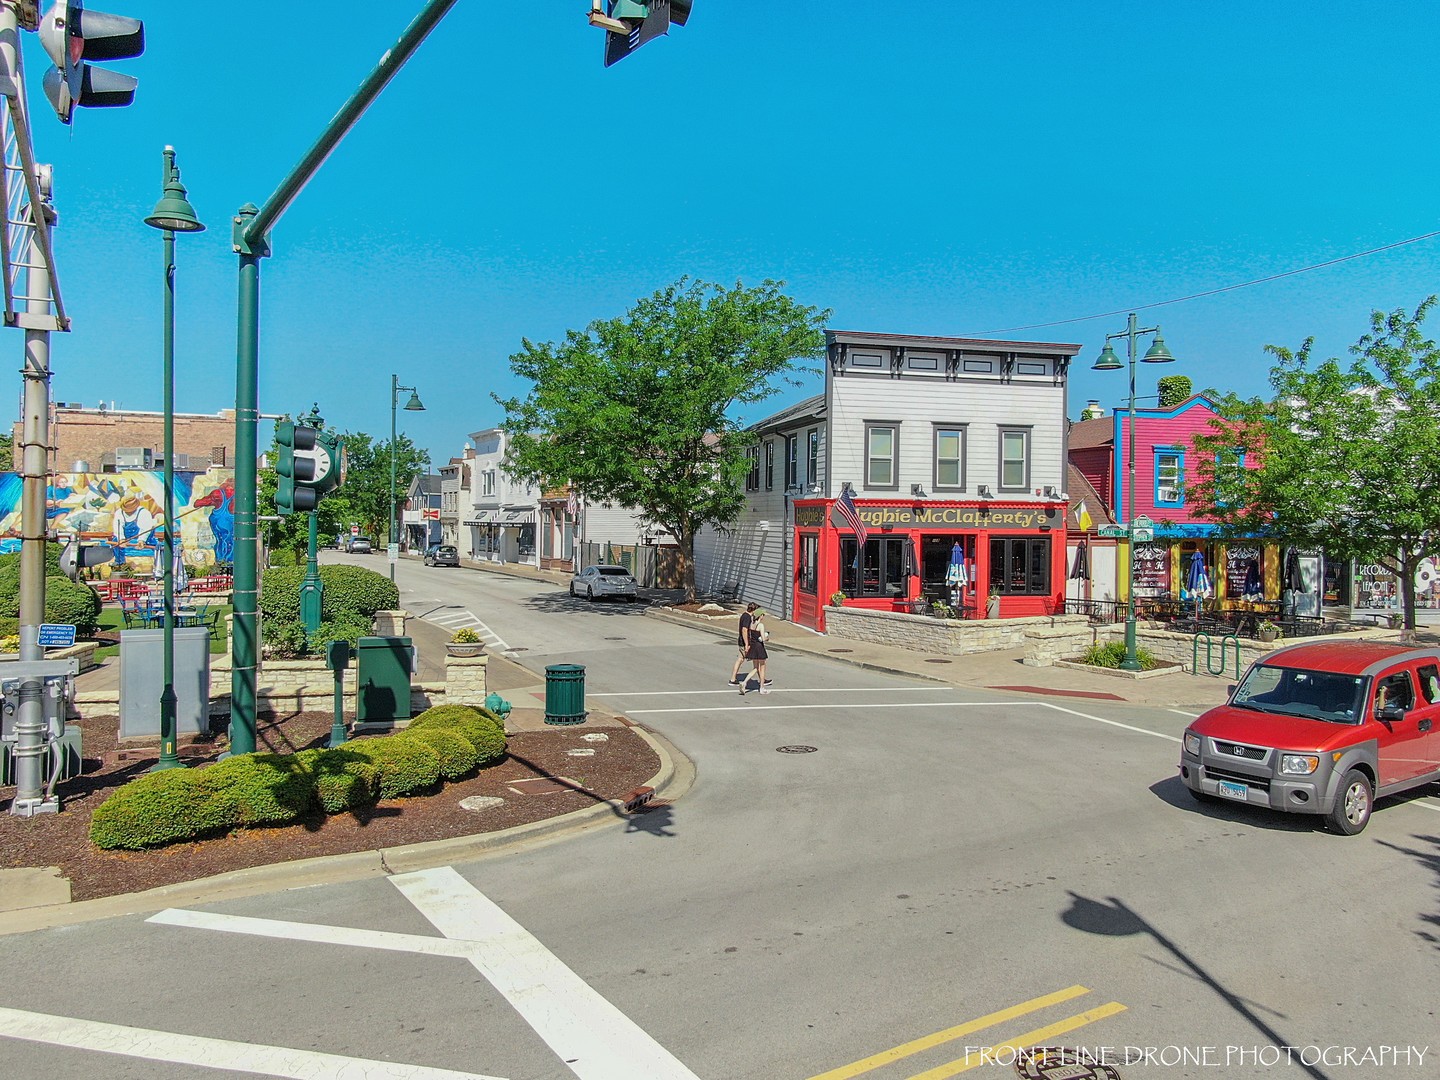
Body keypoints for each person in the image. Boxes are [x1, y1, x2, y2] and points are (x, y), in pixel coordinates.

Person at [729, 603, 757, 689]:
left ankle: (733, 679)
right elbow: (744, 630)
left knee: (740, 659)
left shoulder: (744, 615)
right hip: (744, 642)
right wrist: (747, 644)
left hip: (741, 641)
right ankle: (733, 679)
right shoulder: (747, 617)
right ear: (753, 610)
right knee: (756, 661)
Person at [745, 609, 771, 695]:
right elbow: (763, 639)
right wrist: (767, 637)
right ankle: (762, 688)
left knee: (755, 668)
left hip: (753, 647)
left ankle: (744, 682)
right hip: (759, 647)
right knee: (762, 667)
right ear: (760, 616)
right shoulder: (760, 625)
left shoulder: (751, 624)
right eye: (763, 615)